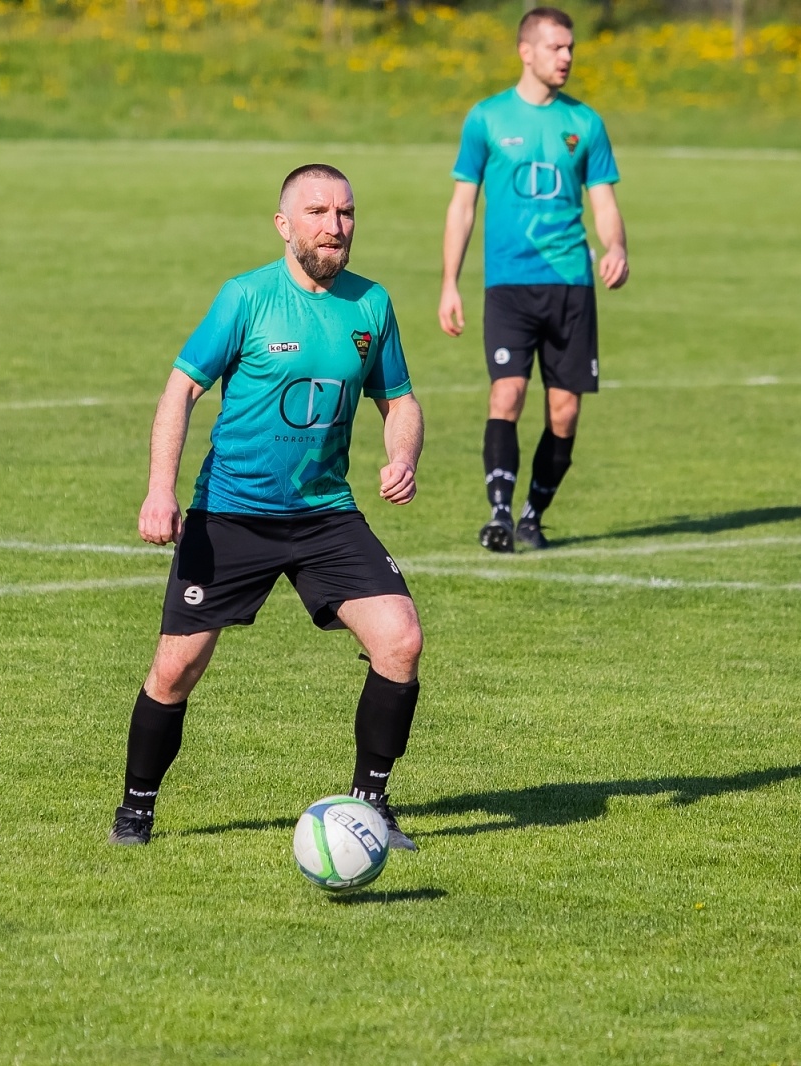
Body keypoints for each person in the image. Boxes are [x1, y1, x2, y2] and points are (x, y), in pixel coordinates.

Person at [109, 163, 427, 851]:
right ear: (284, 226)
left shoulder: (370, 305)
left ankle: (370, 804)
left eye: (344, 213)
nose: (334, 226)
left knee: (400, 640)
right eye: (317, 212)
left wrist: (402, 457)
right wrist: (161, 491)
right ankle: (136, 809)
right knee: (176, 669)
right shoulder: (246, 299)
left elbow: (398, 400)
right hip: (232, 515)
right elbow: (180, 391)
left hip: (325, 514)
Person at [438, 6, 629, 552]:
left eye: (571, 48)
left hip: (571, 282)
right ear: (526, 51)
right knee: (508, 392)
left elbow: (605, 201)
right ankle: (498, 516)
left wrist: (616, 246)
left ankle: (532, 515)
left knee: (564, 411)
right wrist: (450, 281)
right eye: (556, 47)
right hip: (508, 284)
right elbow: (462, 205)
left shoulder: (585, 123)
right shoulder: (487, 119)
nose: (567, 57)